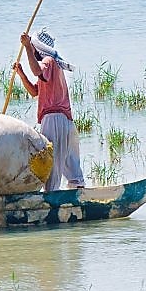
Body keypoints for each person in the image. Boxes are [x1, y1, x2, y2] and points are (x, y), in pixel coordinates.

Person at [13, 29, 86, 191]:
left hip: (54, 118)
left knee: (51, 158)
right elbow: (34, 92)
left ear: (37, 48)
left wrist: (26, 47)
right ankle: (77, 189)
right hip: (65, 120)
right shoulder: (52, 65)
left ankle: (51, 194)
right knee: (69, 159)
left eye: (33, 48)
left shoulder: (48, 62)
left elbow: (37, 71)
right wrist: (21, 74)